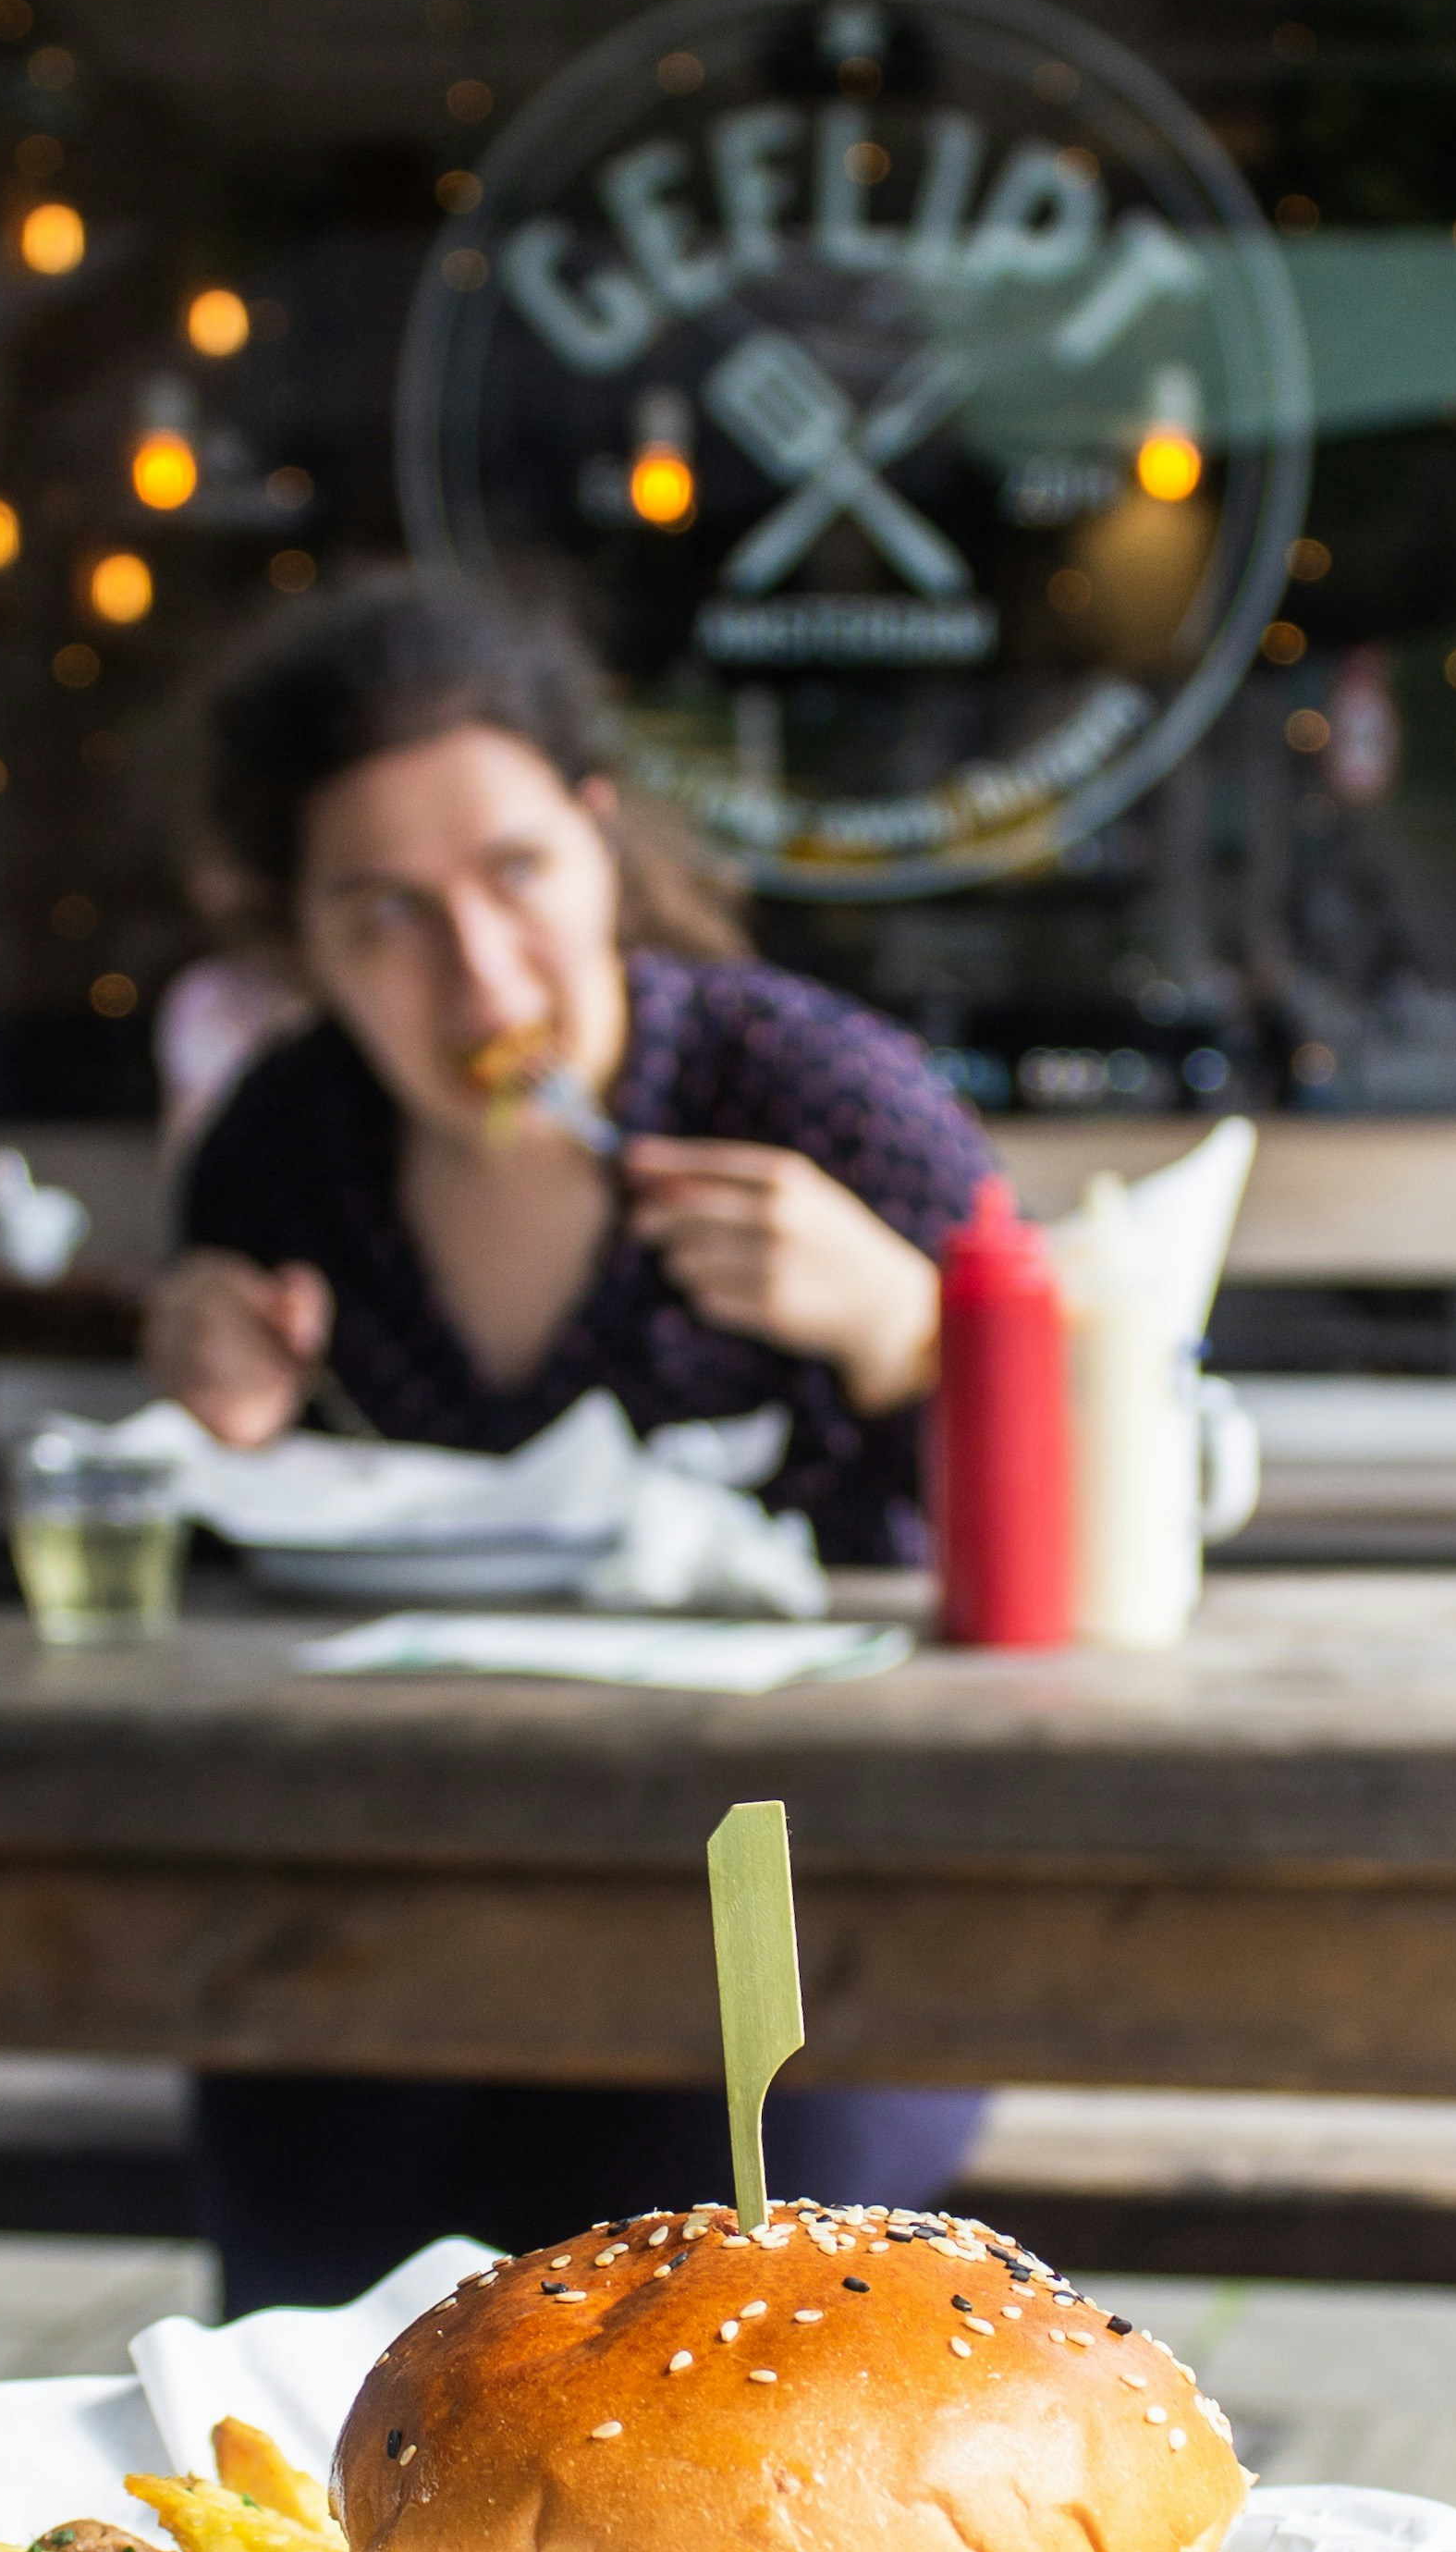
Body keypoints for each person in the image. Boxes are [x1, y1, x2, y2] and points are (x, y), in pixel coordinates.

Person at [149, 570, 1000, 2310]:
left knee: (700, 2274)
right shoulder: (284, 1149)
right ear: (301, 948)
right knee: (309, 2261)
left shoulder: (813, 1099)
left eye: (516, 874)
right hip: (403, 1884)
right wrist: (209, 1422)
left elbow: (1107, 1491)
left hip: (812, 1907)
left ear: (601, 843)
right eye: (382, 914)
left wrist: (914, 1331)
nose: (476, 968)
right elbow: (229, 1586)